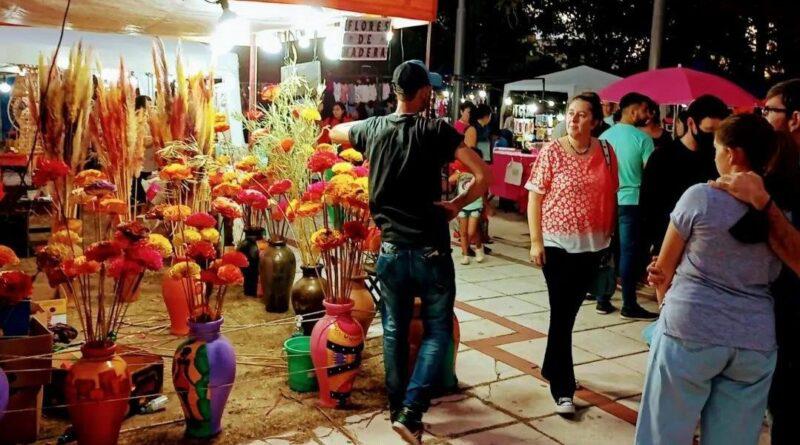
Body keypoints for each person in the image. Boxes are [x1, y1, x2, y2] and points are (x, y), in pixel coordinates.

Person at [330, 60, 490, 445]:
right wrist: (457, 203)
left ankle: (397, 408)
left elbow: (335, 132)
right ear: (422, 93)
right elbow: (482, 174)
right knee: (437, 331)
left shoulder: (373, 128)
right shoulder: (436, 130)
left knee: (393, 331)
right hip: (431, 251)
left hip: (390, 250)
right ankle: (411, 410)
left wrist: (352, 133)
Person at [635, 114, 797, 445]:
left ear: (734, 154)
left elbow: (663, 268)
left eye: (717, 149)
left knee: (663, 433)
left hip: (690, 329)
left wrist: (666, 300)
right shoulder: (779, 212)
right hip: (754, 340)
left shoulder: (700, 196)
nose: (714, 156)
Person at [527, 93, 618, 415]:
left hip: (593, 246)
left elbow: (612, 195)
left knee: (568, 314)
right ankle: (563, 388)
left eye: (582, 115)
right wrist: (536, 241)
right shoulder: (552, 151)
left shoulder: (606, 151)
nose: (574, 119)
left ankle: (552, 366)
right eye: (570, 113)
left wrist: (611, 240)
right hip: (556, 245)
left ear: (594, 121)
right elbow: (535, 197)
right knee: (562, 313)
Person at [639, 95, 729, 261]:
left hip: (707, 248)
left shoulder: (719, 159)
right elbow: (648, 205)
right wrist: (655, 245)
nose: (715, 138)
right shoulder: (663, 157)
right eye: (709, 131)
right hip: (668, 243)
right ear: (691, 124)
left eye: (720, 132)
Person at [760, 78, 800, 445]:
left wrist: (764, 205)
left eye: (769, 111)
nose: (763, 118)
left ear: (795, 119)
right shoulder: (779, 170)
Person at [599, 92, 659, 320]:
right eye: (644, 110)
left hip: (607, 201)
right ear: (633, 112)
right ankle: (629, 304)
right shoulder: (643, 139)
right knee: (628, 253)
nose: (647, 115)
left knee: (607, 250)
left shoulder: (605, 136)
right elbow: (651, 173)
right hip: (632, 202)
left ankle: (603, 299)